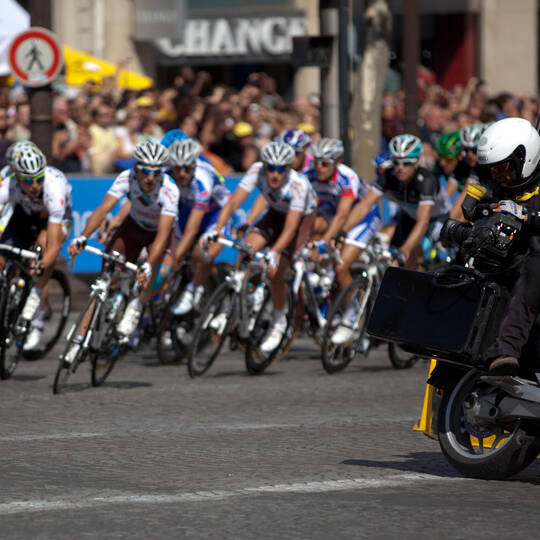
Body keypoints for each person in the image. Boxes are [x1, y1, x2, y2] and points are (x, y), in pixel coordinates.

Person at [211, 141, 316, 354]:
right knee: (247, 249)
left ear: (289, 169)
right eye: (271, 168)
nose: (275, 174)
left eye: (281, 169)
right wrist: (218, 228)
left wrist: (275, 252)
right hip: (275, 214)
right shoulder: (257, 171)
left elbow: (290, 228)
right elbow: (232, 203)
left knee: (276, 269)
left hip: (299, 222)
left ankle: (279, 318)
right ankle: (234, 305)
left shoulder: (298, 185)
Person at [69, 140, 178, 344]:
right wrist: (83, 236)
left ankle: (135, 308)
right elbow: (103, 210)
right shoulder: (125, 178)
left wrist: (148, 265)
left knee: (156, 272)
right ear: (136, 168)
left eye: (156, 172)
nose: (151, 177)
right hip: (134, 226)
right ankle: (80, 337)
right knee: (104, 280)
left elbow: (163, 234)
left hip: (158, 233)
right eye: (146, 171)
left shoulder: (169, 190)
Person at [474, 118, 540, 375]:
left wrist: (526, 216)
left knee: (536, 263)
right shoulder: (504, 189)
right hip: (515, 265)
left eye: (503, 168)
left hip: (534, 270)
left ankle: (507, 349)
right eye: (494, 170)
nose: (497, 176)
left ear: (524, 159)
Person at [305, 137, 381, 345]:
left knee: (341, 266)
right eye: (316, 162)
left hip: (361, 218)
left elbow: (343, 215)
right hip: (333, 213)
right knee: (311, 231)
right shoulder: (309, 176)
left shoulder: (347, 177)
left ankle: (352, 315)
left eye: (325, 163)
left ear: (337, 162)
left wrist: (325, 241)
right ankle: (324, 281)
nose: (319, 167)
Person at [0, 144, 73, 350]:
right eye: (29, 181)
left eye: (38, 179)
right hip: (25, 214)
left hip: (54, 218)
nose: (35, 185)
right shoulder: (9, 185)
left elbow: (54, 245)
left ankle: (36, 300)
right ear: (17, 177)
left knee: (43, 247)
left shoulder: (52, 188)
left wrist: (42, 263)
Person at [342, 134, 451, 270]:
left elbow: (423, 222)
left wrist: (405, 250)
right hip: (409, 216)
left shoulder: (427, 181)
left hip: (436, 219)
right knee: (391, 254)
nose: (400, 167)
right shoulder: (388, 176)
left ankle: (420, 288)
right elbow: (364, 205)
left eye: (406, 163)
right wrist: (343, 231)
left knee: (411, 254)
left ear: (416, 162)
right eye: (396, 162)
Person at [165, 138, 231, 315]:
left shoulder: (203, 181)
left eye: (187, 168)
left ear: (194, 165)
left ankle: (193, 289)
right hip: (188, 211)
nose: (182, 174)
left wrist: (173, 260)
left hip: (214, 215)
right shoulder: (167, 175)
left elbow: (191, 231)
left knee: (200, 253)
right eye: (177, 168)